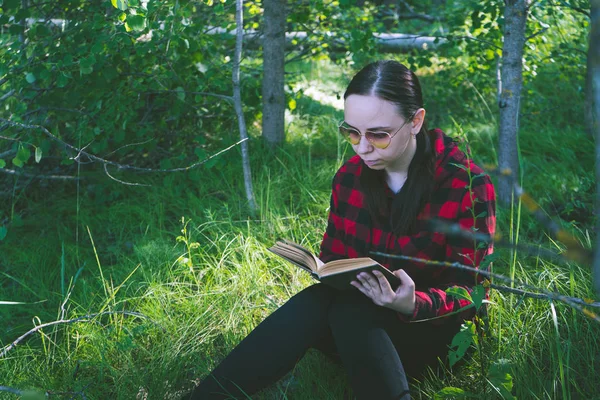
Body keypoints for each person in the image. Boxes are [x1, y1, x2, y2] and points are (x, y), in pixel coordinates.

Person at [187, 60, 496, 400]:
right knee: (325, 301)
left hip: (436, 335)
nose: (362, 147)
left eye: (378, 134)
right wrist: (330, 271)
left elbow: (472, 294)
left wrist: (412, 303)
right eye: (351, 132)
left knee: (352, 309)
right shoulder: (350, 177)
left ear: (415, 121)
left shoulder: (465, 183)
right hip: (359, 332)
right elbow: (334, 257)